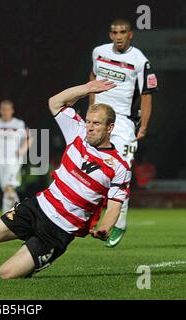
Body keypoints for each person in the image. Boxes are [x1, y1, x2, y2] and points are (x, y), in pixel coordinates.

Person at [0, 79, 132, 279]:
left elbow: (114, 207)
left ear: (110, 128)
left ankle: (38, 259)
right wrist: (86, 89)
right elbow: (55, 102)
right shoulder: (77, 132)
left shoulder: (119, 167)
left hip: (59, 230)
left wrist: (105, 227)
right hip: (37, 207)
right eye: (88, 122)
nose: (90, 127)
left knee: (6, 274)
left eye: (96, 123)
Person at [89, 18, 158, 248]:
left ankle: (119, 221)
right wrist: (91, 107)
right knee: (94, 168)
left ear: (131, 35)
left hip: (125, 124)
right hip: (99, 120)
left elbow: (147, 94)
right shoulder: (98, 52)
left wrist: (144, 126)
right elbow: (92, 78)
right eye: (115, 32)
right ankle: (93, 212)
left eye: (123, 32)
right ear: (110, 35)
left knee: (123, 170)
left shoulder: (140, 60)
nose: (118, 36)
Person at [0, 100, 33, 213]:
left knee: (9, 186)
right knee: (7, 189)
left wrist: (23, 149)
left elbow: (30, 138)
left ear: (12, 110)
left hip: (15, 160)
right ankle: (17, 213)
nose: (5, 112)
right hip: (0, 159)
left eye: (7, 109)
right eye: (3, 109)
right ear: (0, 110)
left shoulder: (19, 124)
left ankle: (7, 214)